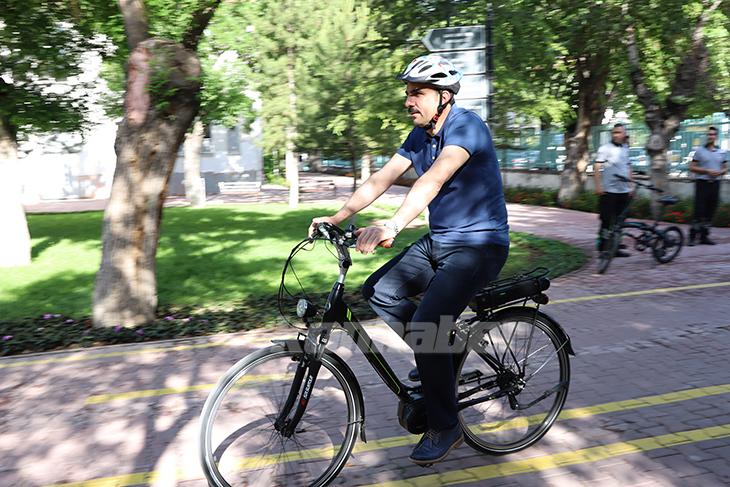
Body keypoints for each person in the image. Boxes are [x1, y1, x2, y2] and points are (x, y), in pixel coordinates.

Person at [308, 54, 509, 465]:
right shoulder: (419, 135)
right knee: (379, 290)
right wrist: (338, 217)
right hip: (442, 241)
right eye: (407, 93)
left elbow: (433, 179)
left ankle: (446, 425)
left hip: (480, 245)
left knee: (427, 325)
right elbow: (382, 178)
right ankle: (440, 351)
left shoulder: (466, 126)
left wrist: (393, 225)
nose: (408, 101)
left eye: (417, 93)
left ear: (443, 96)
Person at [594, 123, 633, 257]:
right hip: (608, 191)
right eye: (614, 132)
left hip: (623, 191)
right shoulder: (605, 148)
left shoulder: (625, 148)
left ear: (624, 134)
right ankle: (603, 247)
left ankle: (615, 247)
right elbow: (597, 167)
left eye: (619, 132)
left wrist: (631, 186)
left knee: (620, 222)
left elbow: (628, 167)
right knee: (606, 220)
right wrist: (598, 186)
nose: (616, 135)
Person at [688, 126, 727, 246]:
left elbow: (725, 168)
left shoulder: (722, 152)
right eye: (709, 134)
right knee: (699, 211)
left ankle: (704, 236)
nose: (711, 136)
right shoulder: (699, 151)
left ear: (716, 136)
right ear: (707, 136)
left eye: (713, 134)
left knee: (710, 210)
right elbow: (692, 167)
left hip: (715, 184)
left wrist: (719, 172)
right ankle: (692, 237)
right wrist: (706, 171)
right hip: (702, 183)